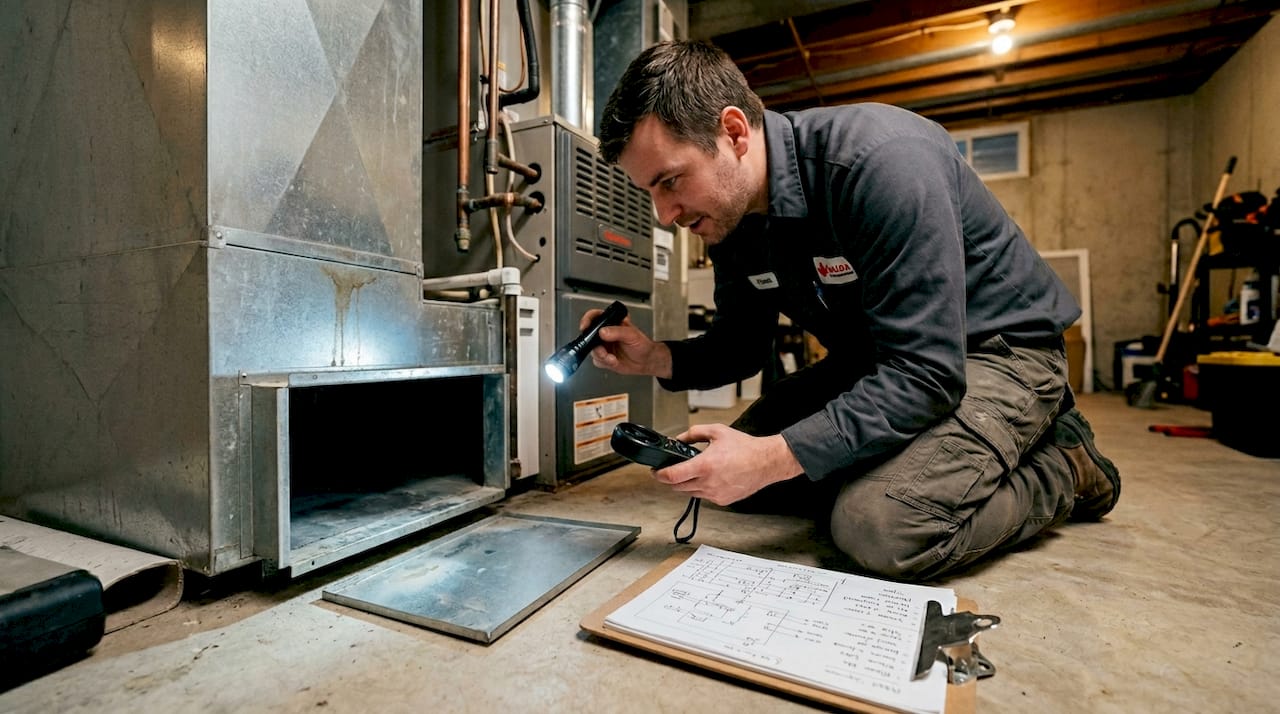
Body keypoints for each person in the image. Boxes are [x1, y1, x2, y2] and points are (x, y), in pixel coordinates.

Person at [583, 40, 1120, 581]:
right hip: (880, 360)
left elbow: (928, 371)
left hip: (995, 353)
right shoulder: (731, 217)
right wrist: (651, 357)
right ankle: (918, 462)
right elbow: (740, 346)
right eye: (650, 191)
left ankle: (1064, 466)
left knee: (881, 525)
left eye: (670, 181)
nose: (665, 213)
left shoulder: (881, 162)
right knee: (739, 485)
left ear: (735, 133)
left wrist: (777, 457)